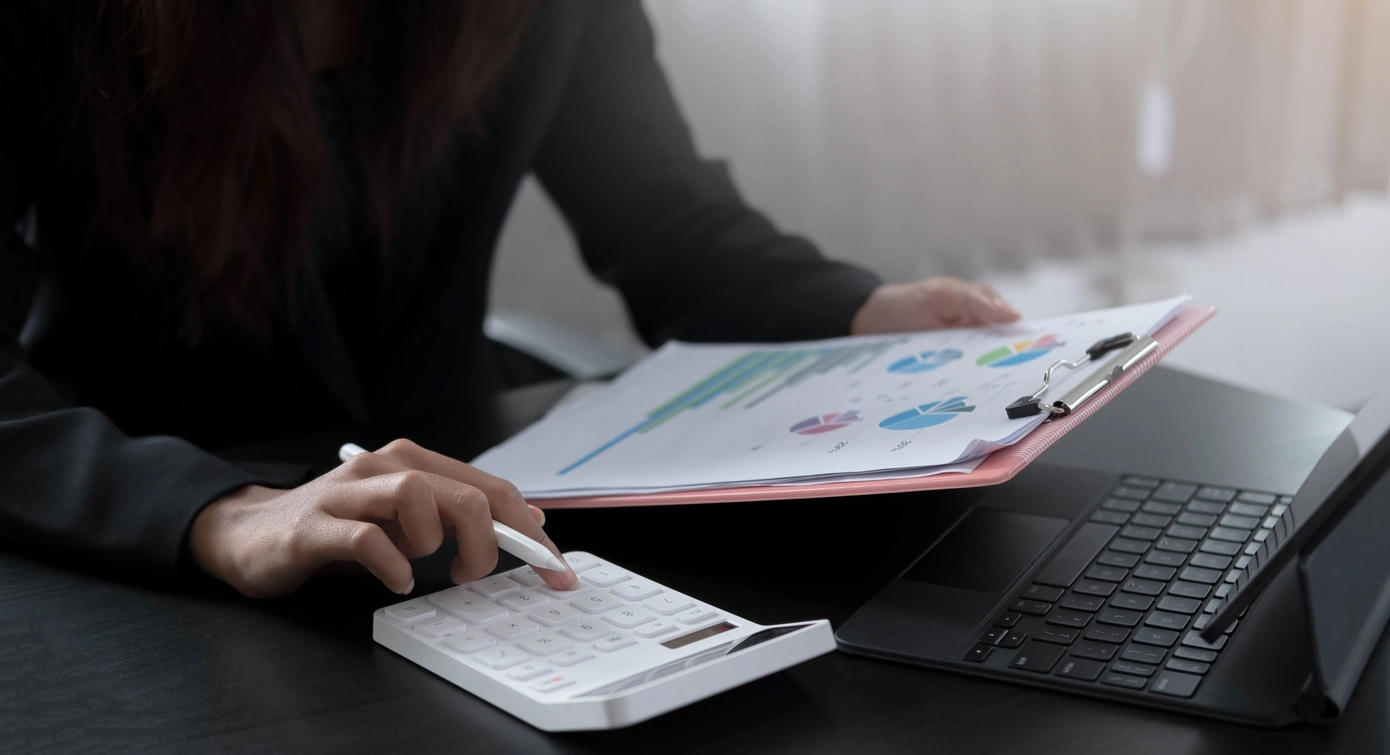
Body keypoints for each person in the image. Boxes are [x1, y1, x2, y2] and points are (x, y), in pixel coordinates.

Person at [0, 1, 1020, 599]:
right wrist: (219, 513)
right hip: (141, 520)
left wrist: (856, 309)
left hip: (466, 508)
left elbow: (666, 224)